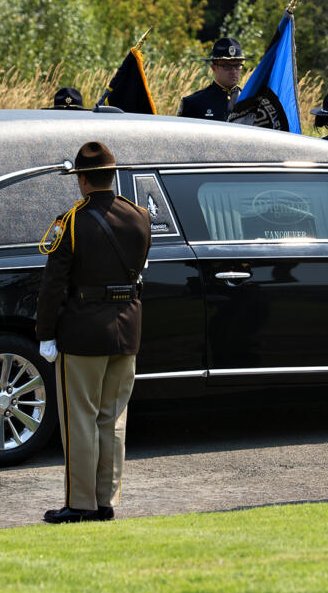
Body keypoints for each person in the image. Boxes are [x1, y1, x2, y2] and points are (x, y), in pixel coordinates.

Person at [36, 142, 152, 523]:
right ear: (112, 175)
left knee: (80, 418)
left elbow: (54, 284)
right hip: (127, 327)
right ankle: (106, 499)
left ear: (83, 180)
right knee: (112, 418)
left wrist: (46, 332)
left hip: (84, 331)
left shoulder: (71, 221)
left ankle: (80, 502)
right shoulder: (140, 217)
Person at [178, 37, 246, 120]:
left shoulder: (249, 102)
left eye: (237, 66)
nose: (234, 71)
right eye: (227, 66)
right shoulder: (193, 103)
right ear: (213, 68)